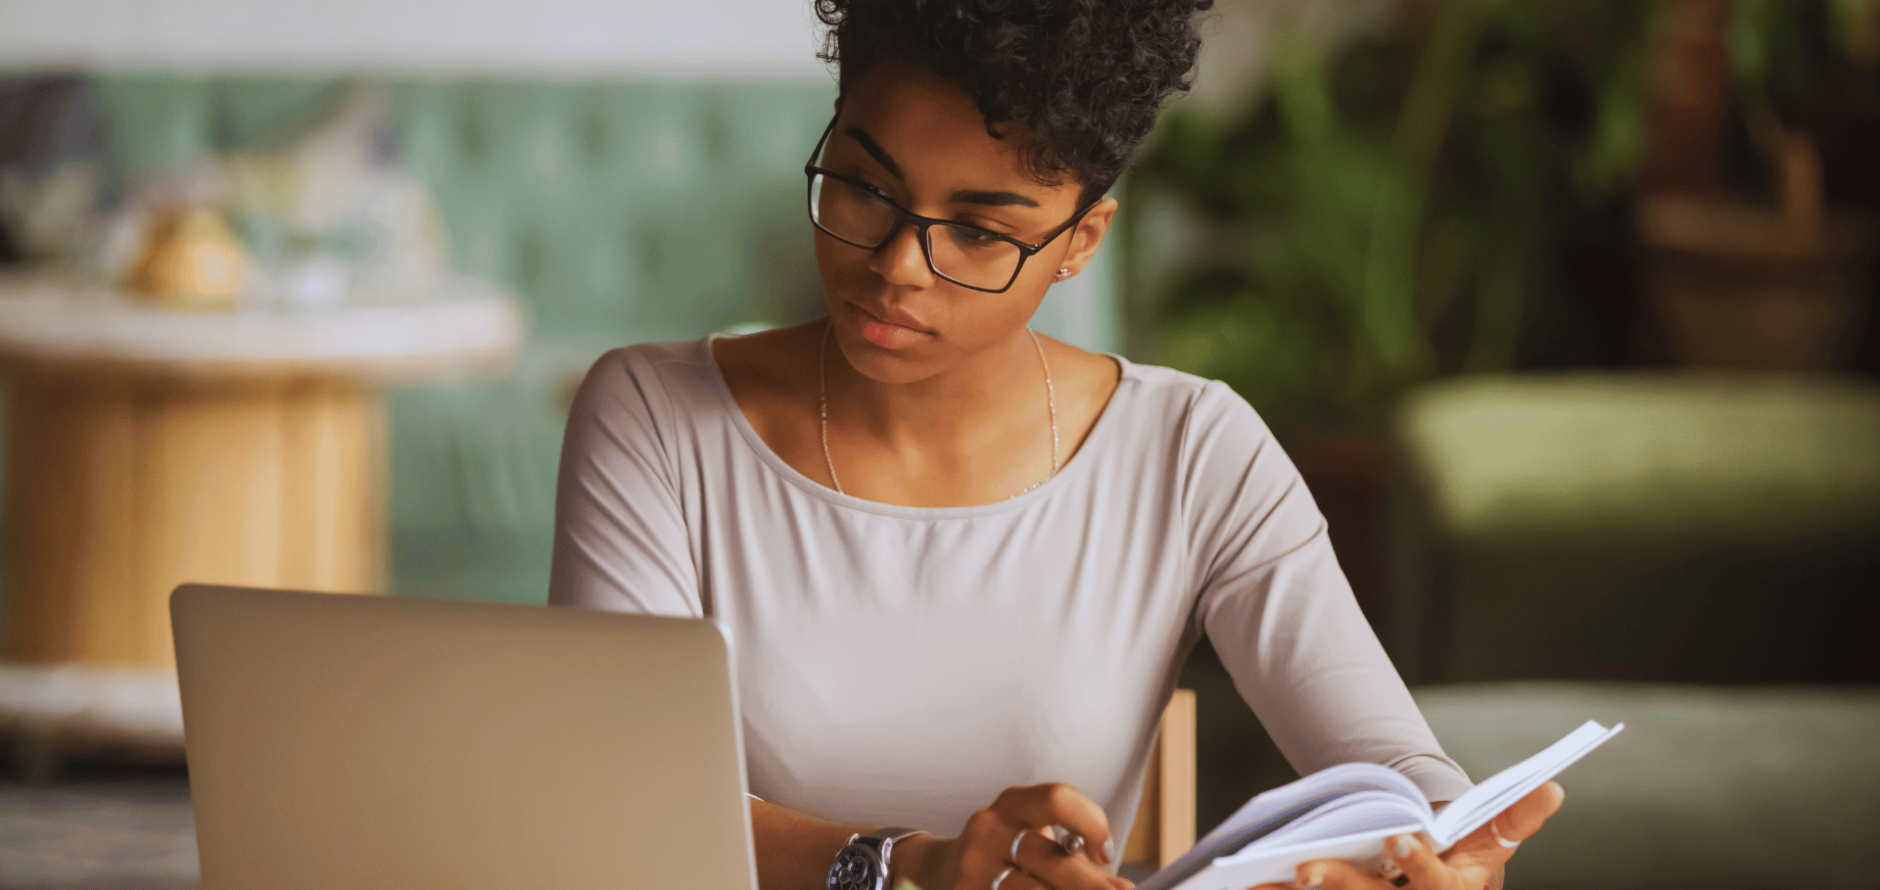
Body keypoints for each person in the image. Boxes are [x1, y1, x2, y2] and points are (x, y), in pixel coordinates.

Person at [548, 2, 1563, 889]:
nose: (900, 264)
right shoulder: (654, 416)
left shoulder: (1190, 450)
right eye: (864, 188)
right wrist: (909, 867)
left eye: (980, 233)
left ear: (1080, 241)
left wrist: (1443, 847)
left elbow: (1390, 758)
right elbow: (608, 798)